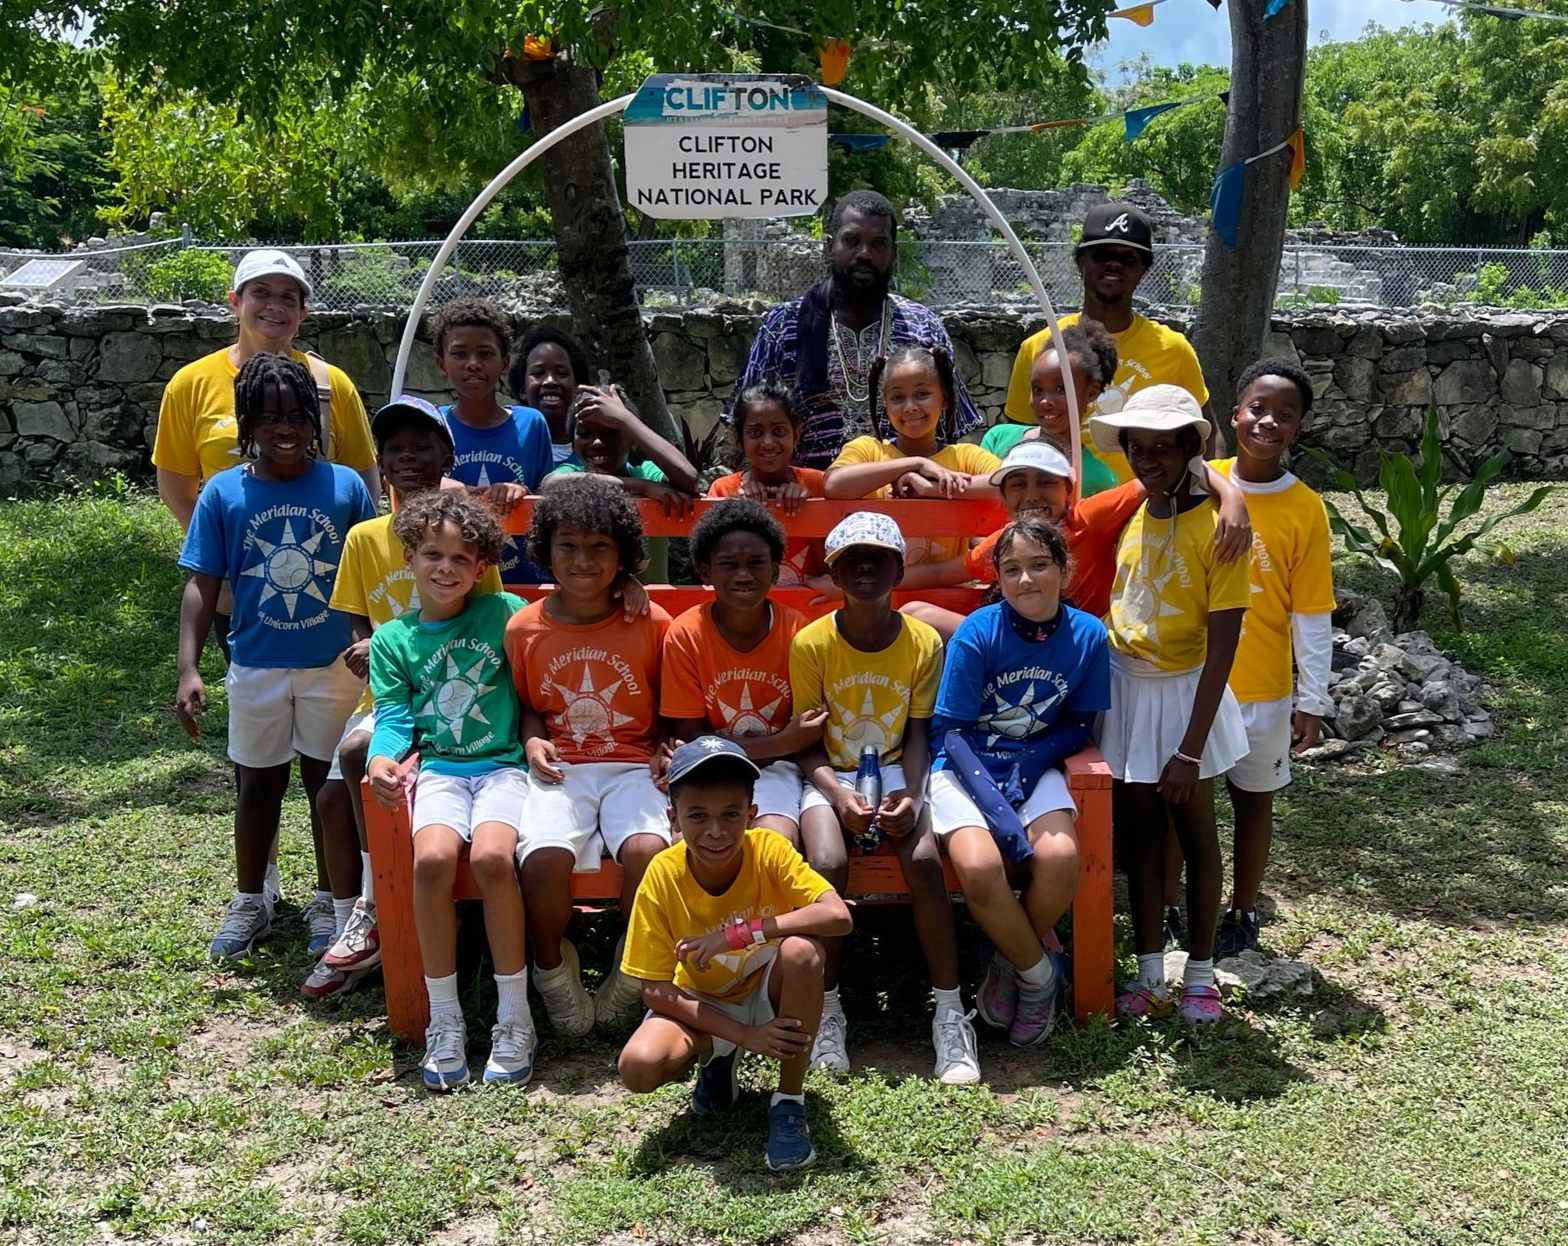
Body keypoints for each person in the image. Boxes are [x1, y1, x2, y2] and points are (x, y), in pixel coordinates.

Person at [154, 247, 378, 910]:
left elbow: (362, 486)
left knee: (323, 769)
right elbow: (178, 486)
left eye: (289, 296)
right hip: (244, 601)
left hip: (329, 627)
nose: (274, 307)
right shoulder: (193, 384)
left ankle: (328, 897)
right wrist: (228, 562)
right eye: (261, 293)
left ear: (305, 309)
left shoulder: (331, 385)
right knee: (258, 763)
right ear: (236, 301)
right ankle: (258, 890)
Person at [307, 397, 507, 1000]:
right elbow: (355, 623)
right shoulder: (368, 538)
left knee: (362, 769)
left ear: (447, 455)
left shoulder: (467, 531)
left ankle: (383, 904)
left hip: (458, 690)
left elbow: (492, 618)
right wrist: (364, 646)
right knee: (342, 779)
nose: (409, 458)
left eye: (423, 446)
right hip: (391, 686)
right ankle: (364, 909)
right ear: (381, 464)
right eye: (395, 449)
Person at [789, 512, 980, 1084]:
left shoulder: (921, 642)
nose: (865, 567)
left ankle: (949, 1011)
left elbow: (920, 735)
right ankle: (826, 1008)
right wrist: (836, 794)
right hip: (830, 774)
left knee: (923, 860)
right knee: (825, 863)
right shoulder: (812, 642)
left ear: (900, 568)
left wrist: (916, 797)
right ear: (835, 571)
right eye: (851, 559)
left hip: (898, 769)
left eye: (878, 558)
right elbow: (806, 745)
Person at [1090, 385, 1251, 1026]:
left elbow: (1222, 649)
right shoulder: (1140, 506)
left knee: (1196, 836)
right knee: (1142, 838)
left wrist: (1189, 749)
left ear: (1191, 446)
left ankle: (1203, 974)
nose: (1147, 458)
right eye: (1137, 446)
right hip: (1127, 691)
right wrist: (1223, 482)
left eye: (1164, 446)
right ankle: (1151, 970)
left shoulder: (1222, 528)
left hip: (1186, 694)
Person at [617, 736, 853, 1172]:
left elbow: (838, 916)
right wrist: (742, 1035)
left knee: (803, 952)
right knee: (639, 1066)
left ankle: (789, 1102)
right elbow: (654, 990)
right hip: (704, 1001)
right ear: (674, 820)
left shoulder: (769, 849)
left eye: (730, 815)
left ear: (752, 815)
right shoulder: (661, 874)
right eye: (698, 816)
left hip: (767, 990)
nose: (715, 831)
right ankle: (721, 1053)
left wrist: (739, 935)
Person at [364, 490, 533, 1090]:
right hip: (439, 770)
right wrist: (384, 760)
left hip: (505, 767)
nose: (446, 568)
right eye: (432, 554)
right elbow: (392, 716)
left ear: (481, 567)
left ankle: (516, 1017)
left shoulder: (505, 613)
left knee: (492, 858)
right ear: (409, 556)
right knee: (432, 860)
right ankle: (447, 1018)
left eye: (461, 559)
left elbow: (565, 622)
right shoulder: (393, 640)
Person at [1169, 359, 1334, 959]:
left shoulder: (1306, 508)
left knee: (1252, 803)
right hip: (1190, 680)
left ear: (1298, 429)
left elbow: (1312, 611)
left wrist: (1312, 698)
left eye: (1285, 415)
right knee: (1181, 803)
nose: (1268, 422)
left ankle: (1242, 912)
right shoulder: (1199, 480)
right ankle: (1170, 908)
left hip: (1263, 688)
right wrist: (1229, 490)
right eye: (1257, 408)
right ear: (1233, 413)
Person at [928, 519, 1110, 1047]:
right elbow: (954, 731)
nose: (1026, 579)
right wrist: (997, 807)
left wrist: (1030, 765)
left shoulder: (1089, 636)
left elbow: (1080, 723)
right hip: (962, 768)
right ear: (999, 580)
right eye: (1012, 570)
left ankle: (1009, 962)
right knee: (982, 867)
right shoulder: (978, 632)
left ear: (1062, 569)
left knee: (1058, 860)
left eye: (1039, 565)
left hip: (1033, 762)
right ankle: (1041, 976)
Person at [505, 476, 674, 1033]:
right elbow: (529, 707)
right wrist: (532, 740)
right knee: (543, 857)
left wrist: (669, 746)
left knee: (649, 851)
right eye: (568, 545)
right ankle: (552, 968)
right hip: (564, 767)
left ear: (623, 556)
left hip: (633, 764)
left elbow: (669, 706)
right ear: (546, 550)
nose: (583, 559)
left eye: (601, 547)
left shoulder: (649, 622)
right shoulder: (525, 627)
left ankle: (634, 967)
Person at [732, 190, 981, 470]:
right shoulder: (783, 324)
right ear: (830, 246)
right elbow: (744, 424)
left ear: (893, 252)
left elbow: (954, 426)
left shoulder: (923, 325)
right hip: (805, 498)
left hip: (907, 498)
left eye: (878, 244)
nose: (865, 253)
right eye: (852, 240)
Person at [1000, 203, 1217, 485]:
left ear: (1143, 270)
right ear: (1082, 262)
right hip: (1061, 510)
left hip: (1147, 512)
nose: (1114, 264)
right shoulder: (1041, 348)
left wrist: (1210, 492)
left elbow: (1208, 435)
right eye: (1102, 255)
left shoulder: (1173, 349)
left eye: (1128, 258)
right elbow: (1018, 435)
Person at [662, 499, 825, 847]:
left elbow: (808, 732)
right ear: (705, 571)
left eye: (755, 564)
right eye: (728, 565)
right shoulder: (686, 634)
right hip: (707, 771)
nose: (743, 575)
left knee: (775, 839)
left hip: (777, 769)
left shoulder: (798, 631)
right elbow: (691, 735)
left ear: (775, 571)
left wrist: (787, 746)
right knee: (688, 844)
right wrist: (783, 741)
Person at [822, 343, 999, 577]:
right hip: (876, 599)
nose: (910, 407)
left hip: (943, 598)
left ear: (943, 399)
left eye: (922, 394)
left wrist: (930, 489)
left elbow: (1007, 481)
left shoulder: (965, 456)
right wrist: (915, 463)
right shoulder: (867, 450)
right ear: (886, 404)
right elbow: (833, 485)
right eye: (897, 397)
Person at [430, 298, 553, 587]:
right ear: (440, 364)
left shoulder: (531, 424)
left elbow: (548, 495)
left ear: (505, 362)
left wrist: (522, 490)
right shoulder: (433, 425)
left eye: (485, 354)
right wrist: (441, 484)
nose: (473, 364)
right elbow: (403, 484)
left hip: (525, 581)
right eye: (459, 354)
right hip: (452, 585)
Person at [542, 385, 701, 584]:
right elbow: (552, 484)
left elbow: (689, 478)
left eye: (611, 431)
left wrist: (625, 419)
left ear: (632, 438)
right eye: (585, 433)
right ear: (572, 441)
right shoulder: (573, 474)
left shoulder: (647, 472)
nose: (597, 442)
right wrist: (642, 487)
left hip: (653, 609)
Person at [980, 319, 1120, 499]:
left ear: (1091, 393)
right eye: (1037, 390)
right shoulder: (997, 439)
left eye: (1061, 389)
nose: (1046, 401)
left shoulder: (1099, 478)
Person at [708, 381, 828, 586]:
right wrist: (739, 510)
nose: (768, 442)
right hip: (744, 612)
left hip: (810, 610)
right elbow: (711, 569)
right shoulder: (723, 490)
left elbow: (830, 569)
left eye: (779, 431)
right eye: (755, 433)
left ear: (796, 434)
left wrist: (810, 510)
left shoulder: (817, 483)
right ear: (739, 439)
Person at [510, 325, 592, 468]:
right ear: (522, 390)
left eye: (561, 373)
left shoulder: (593, 450)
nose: (550, 381)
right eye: (538, 373)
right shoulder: (509, 446)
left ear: (578, 387)